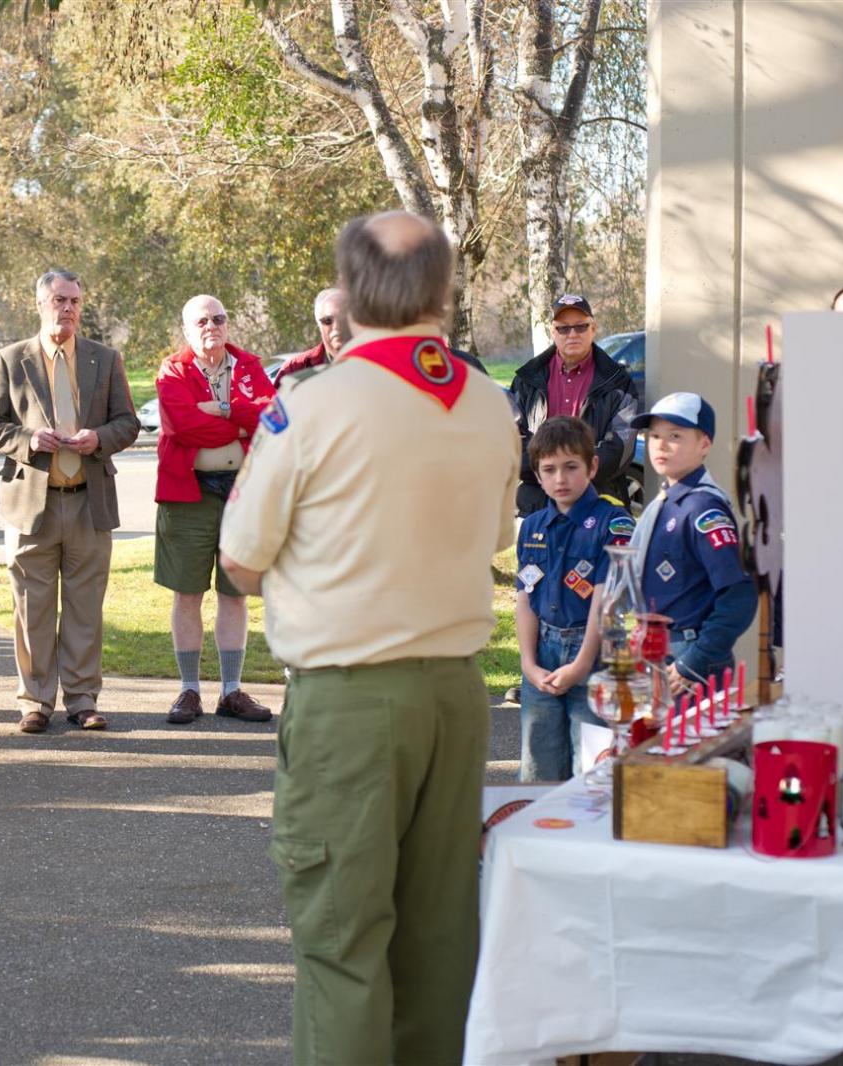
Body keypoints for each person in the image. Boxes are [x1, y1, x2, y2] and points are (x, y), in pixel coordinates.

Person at [219, 211, 518, 1064]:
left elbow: (240, 561)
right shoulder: (489, 402)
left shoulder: (313, 403)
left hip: (349, 699)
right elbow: (498, 534)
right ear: (442, 289)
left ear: (350, 292)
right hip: (455, 696)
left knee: (342, 944)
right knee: (439, 942)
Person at [0, 269, 141, 734]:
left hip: (89, 500)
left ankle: (83, 699)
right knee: (32, 607)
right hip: (33, 504)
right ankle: (34, 701)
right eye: (58, 300)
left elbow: (128, 423)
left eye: (74, 301)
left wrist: (99, 438)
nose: (67, 309)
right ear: (39, 304)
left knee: (85, 607)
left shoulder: (104, 359)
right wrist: (29, 440)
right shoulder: (11, 360)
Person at [153, 294, 275, 726]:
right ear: (187, 329)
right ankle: (189, 690)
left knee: (234, 593)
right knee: (188, 592)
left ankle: (231, 691)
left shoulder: (249, 366)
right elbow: (183, 425)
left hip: (242, 492)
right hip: (190, 492)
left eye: (218, 318)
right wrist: (240, 422)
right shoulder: (174, 369)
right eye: (202, 321)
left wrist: (223, 408)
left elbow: (272, 416)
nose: (212, 327)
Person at [514, 416, 634, 781]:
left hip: (594, 656)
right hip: (542, 656)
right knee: (538, 772)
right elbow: (525, 597)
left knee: (593, 773)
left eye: (571, 467)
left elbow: (607, 601)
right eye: (549, 470)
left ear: (592, 466)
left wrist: (581, 665)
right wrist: (528, 663)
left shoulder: (614, 523)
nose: (560, 479)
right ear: (537, 475)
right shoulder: (532, 527)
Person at [629, 392, 757, 691]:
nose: (661, 444)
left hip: (686, 659)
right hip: (658, 648)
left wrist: (695, 660)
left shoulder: (702, 508)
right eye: (654, 435)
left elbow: (739, 594)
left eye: (675, 436)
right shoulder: (667, 502)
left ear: (704, 444)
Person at [510, 294, 639, 515]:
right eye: (563, 328)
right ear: (553, 332)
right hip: (537, 508)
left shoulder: (618, 382)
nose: (572, 334)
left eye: (581, 327)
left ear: (593, 328)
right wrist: (551, 475)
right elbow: (511, 444)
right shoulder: (526, 380)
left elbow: (619, 449)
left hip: (597, 506)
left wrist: (569, 476)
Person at [270, 287, 343, 387]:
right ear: (319, 326)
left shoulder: (366, 361)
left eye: (343, 318)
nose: (337, 326)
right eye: (328, 321)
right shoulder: (294, 370)